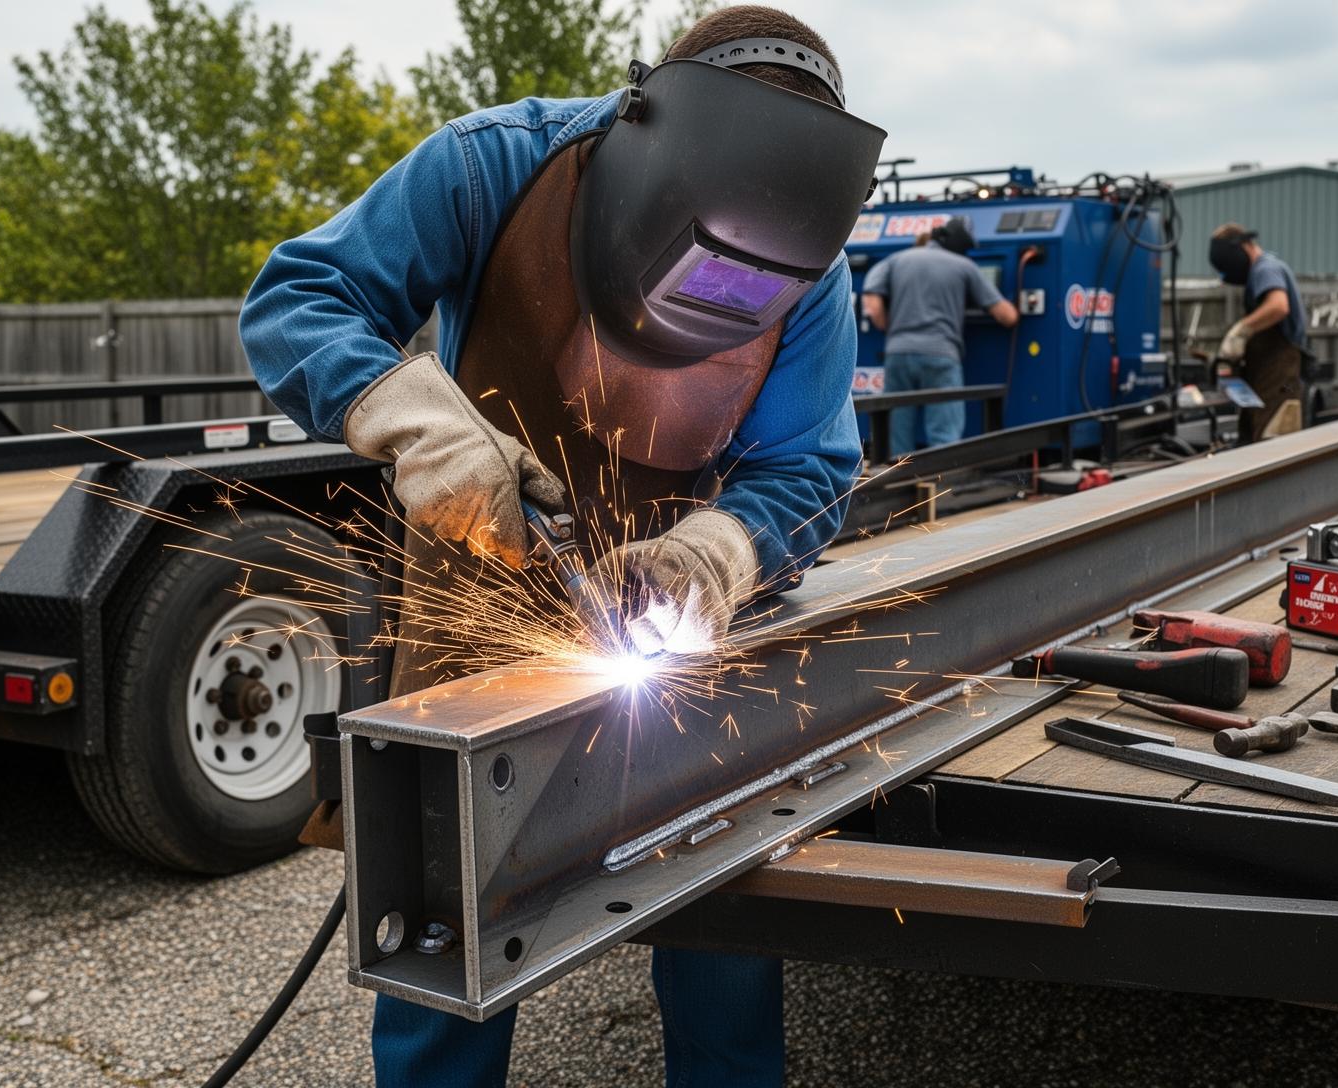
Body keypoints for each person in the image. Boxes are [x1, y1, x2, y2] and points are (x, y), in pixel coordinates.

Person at [240, 6, 884, 1086]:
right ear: (644, 145)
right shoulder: (494, 165)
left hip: (679, 652)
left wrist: (715, 553)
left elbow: (811, 466)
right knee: (447, 960)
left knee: (723, 945)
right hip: (472, 619)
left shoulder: (810, 269)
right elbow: (298, 296)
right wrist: (414, 418)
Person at [859, 215, 1018, 458]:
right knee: (944, 428)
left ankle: (897, 480)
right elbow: (1006, 316)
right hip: (941, 356)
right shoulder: (964, 266)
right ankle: (942, 479)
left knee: (898, 425)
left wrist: (888, 327)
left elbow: (870, 301)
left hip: (898, 353)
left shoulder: (896, 259)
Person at [1209, 222, 1309, 438]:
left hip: (1279, 378)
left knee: (1273, 447)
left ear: (1244, 247)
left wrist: (1241, 331)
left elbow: (1278, 306)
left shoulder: (1266, 268)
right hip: (1267, 377)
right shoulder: (1264, 269)